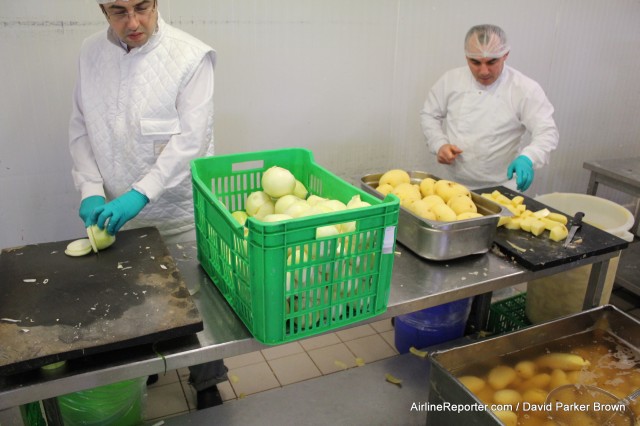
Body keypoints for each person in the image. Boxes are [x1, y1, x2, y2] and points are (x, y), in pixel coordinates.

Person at [68, 0, 227, 410]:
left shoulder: (191, 56)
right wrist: (89, 188)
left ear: (157, 3)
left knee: (196, 300)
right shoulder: (90, 53)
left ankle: (208, 380)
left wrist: (142, 192)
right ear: (102, 10)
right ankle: (152, 360)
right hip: (119, 215)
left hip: (179, 212)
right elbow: (81, 125)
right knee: (138, 299)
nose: (133, 22)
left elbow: (192, 140)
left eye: (142, 7)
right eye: (119, 11)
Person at [420, 24, 559, 192]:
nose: (484, 71)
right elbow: (429, 114)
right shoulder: (451, 81)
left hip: (504, 187)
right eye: (475, 62)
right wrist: (439, 144)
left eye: (492, 62)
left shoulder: (524, 89)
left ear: (505, 55)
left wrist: (528, 158)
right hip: (454, 185)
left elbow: (547, 131)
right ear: (466, 57)